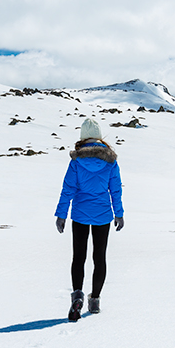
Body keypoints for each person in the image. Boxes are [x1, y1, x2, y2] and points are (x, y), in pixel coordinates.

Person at [55, 118, 124, 321]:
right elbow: (116, 190)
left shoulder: (76, 161)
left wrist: (61, 214)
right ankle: (95, 299)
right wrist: (119, 213)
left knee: (79, 257)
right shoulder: (111, 160)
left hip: (80, 215)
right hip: (103, 215)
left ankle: (77, 295)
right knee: (99, 257)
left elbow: (67, 189)